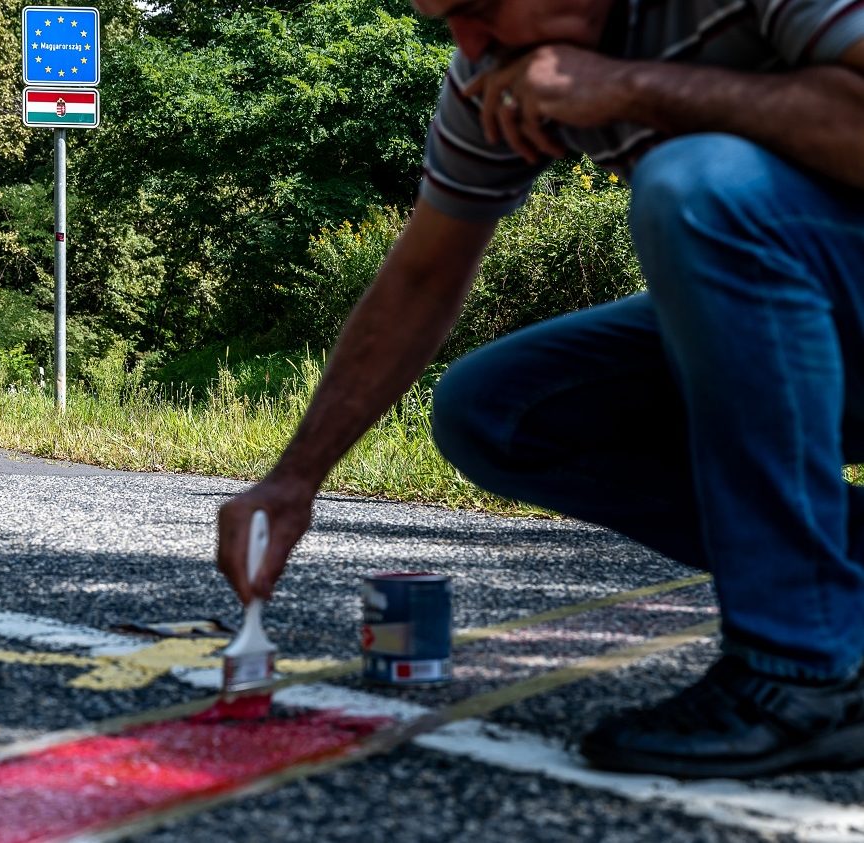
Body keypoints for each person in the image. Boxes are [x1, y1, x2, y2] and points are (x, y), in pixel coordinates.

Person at [216, 0, 864, 779]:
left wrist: (633, 86)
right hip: (808, 322)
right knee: (497, 409)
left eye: (479, 8)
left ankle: (799, 675)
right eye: (444, 19)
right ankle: (836, 592)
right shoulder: (490, 77)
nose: (466, 42)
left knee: (699, 185)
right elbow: (423, 278)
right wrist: (294, 478)